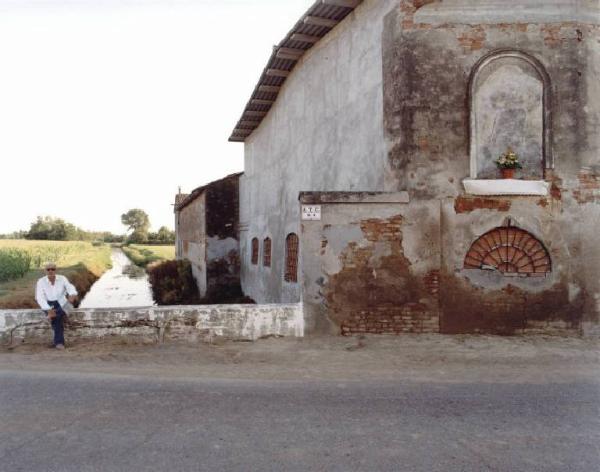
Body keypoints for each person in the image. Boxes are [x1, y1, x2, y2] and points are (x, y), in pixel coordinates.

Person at [35, 262, 78, 350]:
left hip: (62, 302)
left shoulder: (62, 278)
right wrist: (48, 309)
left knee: (62, 311)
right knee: (57, 318)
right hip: (48, 304)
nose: (50, 271)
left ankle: (50, 317)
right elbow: (40, 297)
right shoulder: (41, 281)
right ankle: (59, 342)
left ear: (56, 270)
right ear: (45, 271)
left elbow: (70, 288)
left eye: (53, 269)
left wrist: (72, 295)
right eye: (48, 269)